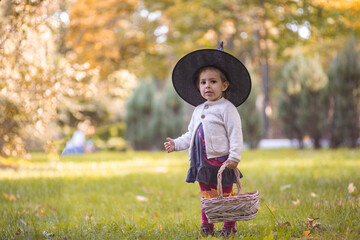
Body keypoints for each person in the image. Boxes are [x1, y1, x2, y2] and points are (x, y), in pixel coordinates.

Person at [164, 42, 251, 237]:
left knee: (226, 194)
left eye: (213, 81)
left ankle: (229, 227)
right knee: (207, 196)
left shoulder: (227, 108)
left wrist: (235, 157)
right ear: (198, 86)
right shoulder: (198, 110)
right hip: (202, 162)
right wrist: (176, 144)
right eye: (203, 82)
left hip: (222, 162)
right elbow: (191, 134)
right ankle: (207, 224)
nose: (207, 86)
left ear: (224, 85)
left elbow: (235, 133)